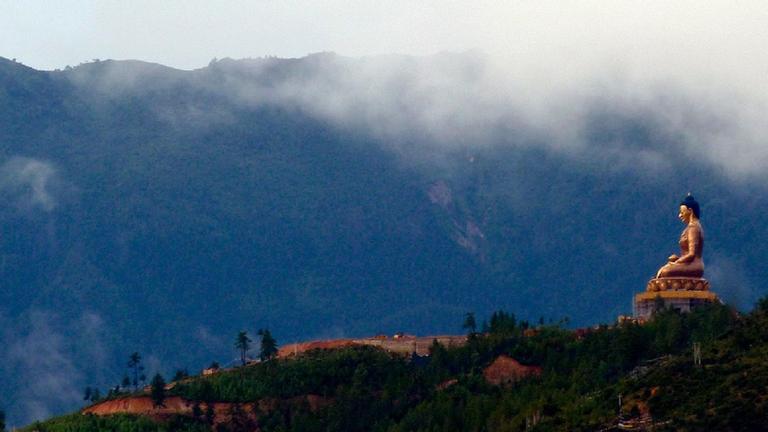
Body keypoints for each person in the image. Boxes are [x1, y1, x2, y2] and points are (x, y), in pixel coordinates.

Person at [655, 194, 704, 279]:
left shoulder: (693, 228)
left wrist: (676, 262)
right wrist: (677, 259)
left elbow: (692, 254)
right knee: (664, 270)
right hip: (687, 263)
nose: (680, 215)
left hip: (694, 265)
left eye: (682, 212)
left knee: (665, 271)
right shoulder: (691, 227)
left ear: (690, 211)